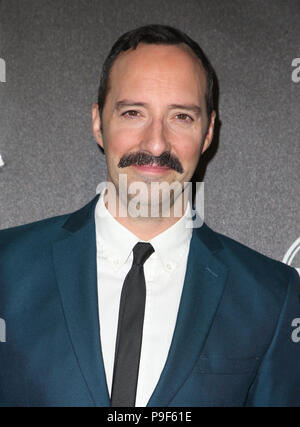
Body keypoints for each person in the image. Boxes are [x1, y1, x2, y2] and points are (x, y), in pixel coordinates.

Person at [0, 24, 299, 407]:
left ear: (208, 133)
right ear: (98, 122)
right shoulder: (7, 270)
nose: (156, 143)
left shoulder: (270, 298)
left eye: (181, 117)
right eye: (133, 112)